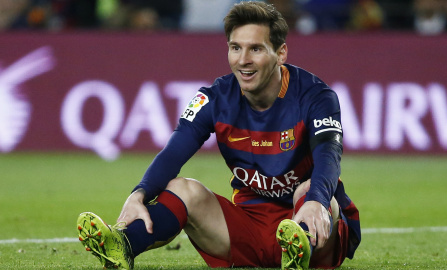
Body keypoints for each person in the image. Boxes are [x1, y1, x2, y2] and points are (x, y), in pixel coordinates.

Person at [76, 2, 361, 269]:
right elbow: (176, 149)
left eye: (256, 49)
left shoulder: (316, 96)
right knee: (183, 187)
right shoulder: (214, 98)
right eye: (235, 48)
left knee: (308, 190)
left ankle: (299, 249)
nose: (243, 60)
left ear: (281, 53)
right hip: (248, 226)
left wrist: (317, 201)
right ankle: (123, 245)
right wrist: (138, 194)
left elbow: (329, 154)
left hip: (314, 223)